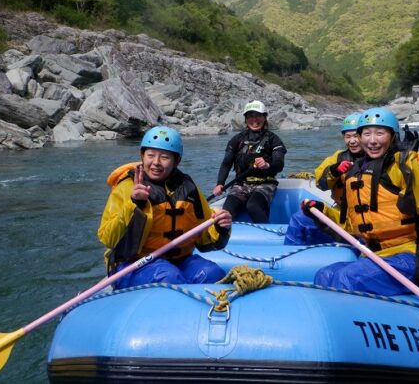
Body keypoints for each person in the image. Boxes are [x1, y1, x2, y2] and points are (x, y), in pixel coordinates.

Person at [302, 107, 419, 296]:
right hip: (375, 256)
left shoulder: (401, 164)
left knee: (344, 279)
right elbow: (353, 225)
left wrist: (411, 163)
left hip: (407, 257)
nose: (373, 140)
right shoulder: (356, 173)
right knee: (324, 276)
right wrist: (323, 211)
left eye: (380, 133)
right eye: (366, 134)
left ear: (392, 136)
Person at [97, 126, 232, 289]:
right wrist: (134, 205)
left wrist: (220, 227)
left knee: (212, 274)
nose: (155, 163)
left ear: (176, 161)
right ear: (142, 156)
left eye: (164, 157)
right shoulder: (127, 187)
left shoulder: (187, 188)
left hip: (179, 261)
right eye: (150, 155)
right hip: (132, 265)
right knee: (168, 277)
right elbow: (108, 238)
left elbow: (204, 237)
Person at [284, 112, 364, 245]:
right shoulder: (338, 157)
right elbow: (321, 184)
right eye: (347, 136)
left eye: (356, 136)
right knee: (299, 218)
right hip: (341, 214)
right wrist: (334, 171)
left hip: (364, 220)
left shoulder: (375, 158)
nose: (352, 141)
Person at [212, 100, 287, 223]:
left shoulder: (274, 139)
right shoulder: (236, 140)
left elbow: (279, 164)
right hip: (241, 184)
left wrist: (267, 165)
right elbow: (226, 163)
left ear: (265, 117)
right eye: (250, 116)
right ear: (246, 119)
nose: (254, 120)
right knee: (227, 210)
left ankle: (267, 235)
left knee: (253, 206)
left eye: (258, 115)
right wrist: (220, 183)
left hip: (265, 183)